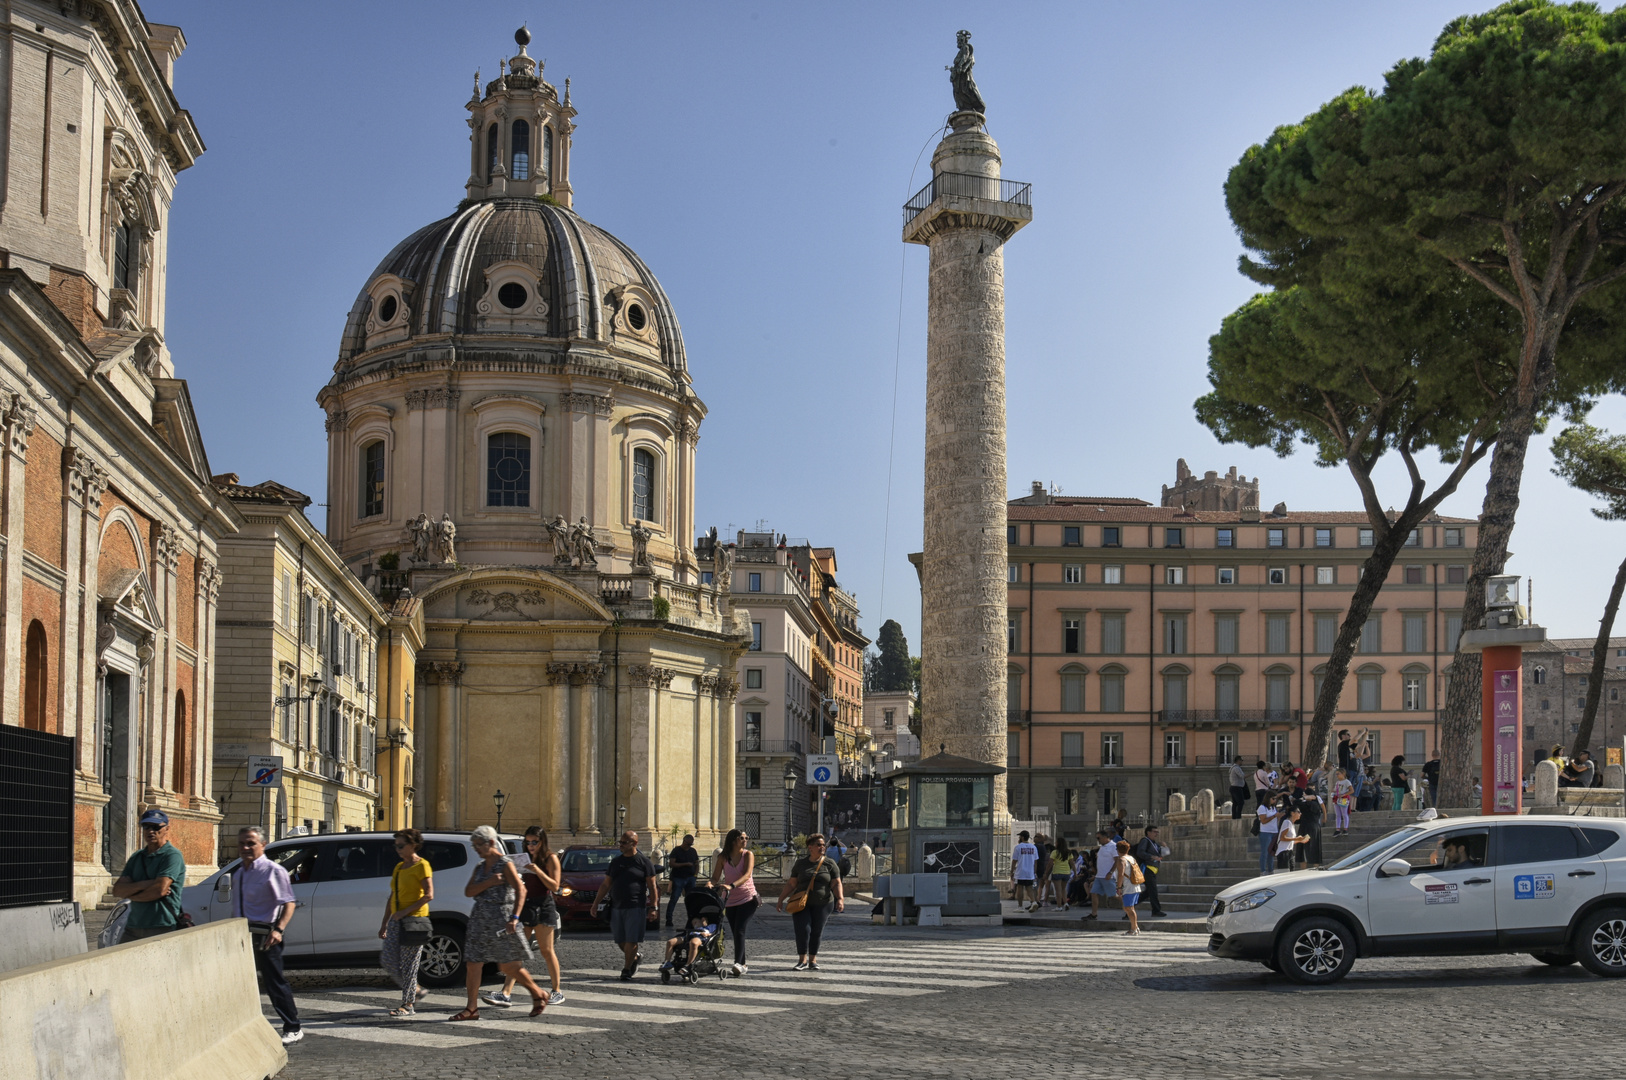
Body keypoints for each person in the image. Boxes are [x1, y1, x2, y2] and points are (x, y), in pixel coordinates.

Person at [454, 825, 546, 1020]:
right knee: (473, 963)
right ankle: (471, 1008)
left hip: (501, 919)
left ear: (491, 843)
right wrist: (488, 882)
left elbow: (521, 891)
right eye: (474, 846)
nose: (477, 849)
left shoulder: (505, 864)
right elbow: (469, 892)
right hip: (480, 918)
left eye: (479, 845)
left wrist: (514, 917)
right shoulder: (480, 867)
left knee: (507, 966)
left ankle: (538, 993)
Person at [232, 827, 302, 1045]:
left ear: (263, 845)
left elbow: (288, 902)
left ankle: (293, 1026)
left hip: (265, 934)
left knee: (274, 982)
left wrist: (278, 929)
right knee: (242, 981)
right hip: (241, 932)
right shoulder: (239, 873)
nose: (245, 848)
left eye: (251, 843)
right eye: (242, 843)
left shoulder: (273, 871)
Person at [490, 827, 564, 1007]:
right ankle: (505, 993)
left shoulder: (550, 858)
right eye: (528, 842)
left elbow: (555, 886)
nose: (530, 846)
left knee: (547, 950)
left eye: (534, 842)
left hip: (543, 905)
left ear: (542, 841)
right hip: (526, 905)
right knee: (518, 949)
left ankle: (557, 991)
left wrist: (538, 871)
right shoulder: (524, 858)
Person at [379, 828, 433, 1017]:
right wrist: (385, 922)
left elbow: (429, 895)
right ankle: (416, 990)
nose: (398, 849)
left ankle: (408, 1004)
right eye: (396, 846)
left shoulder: (422, 866)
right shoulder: (399, 867)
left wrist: (404, 912)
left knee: (409, 965)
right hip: (397, 920)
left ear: (413, 845)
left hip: (414, 922)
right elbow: (393, 895)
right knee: (388, 960)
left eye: (401, 846)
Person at [111, 809, 186, 940]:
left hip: (162, 925)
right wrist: (147, 883)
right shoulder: (137, 857)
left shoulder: (172, 855)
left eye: (156, 827)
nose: (150, 831)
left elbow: (159, 890)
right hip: (134, 926)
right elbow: (117, 890)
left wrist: (132, 895)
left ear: (166, 829)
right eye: (146, 827)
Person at [596, 830, 659, 982]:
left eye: (624, 842)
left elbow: (652, 886)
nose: (621, 845)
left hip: (636, 906)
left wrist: (654, 906)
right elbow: (606, 884)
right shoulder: (616, 862)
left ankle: (626, 969)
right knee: (620, 940)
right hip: (617, 906)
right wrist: (595, 903)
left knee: (632, 939)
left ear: (634, 843)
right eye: (620, 842)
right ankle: (635, 957)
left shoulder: (644, 862)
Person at [777, 833, 843, 970]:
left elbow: (836, 883)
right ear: (810, 847)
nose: (822, 847)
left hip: (824, 903)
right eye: (819, 845)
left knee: (816, 931)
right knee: (803, 930)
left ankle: (813, 960)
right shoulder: (801, 864)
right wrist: (781, 898)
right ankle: (802, 960)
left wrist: (840, 899)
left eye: (823, 845)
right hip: (801, 903)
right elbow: (791, 884)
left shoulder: (829, 864)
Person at [711, 828, 758, 976]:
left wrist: (731, 886)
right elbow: (715, 877)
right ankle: (742, 964)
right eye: (742, 838)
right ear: (733, 840)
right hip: (730, 900)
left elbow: (746, 875)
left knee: (740, 930)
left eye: (746, 838)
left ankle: (738, 963)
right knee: (735, 931)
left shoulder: (748, 854)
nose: (745, 840)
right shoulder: (722, 858)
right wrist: (710, 884)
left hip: (747, 898)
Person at [659, 909, 719, 974]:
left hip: (701, 937)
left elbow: (715, 933)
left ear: (702, 919)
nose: (694, 925)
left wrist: (707, 934)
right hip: (689, 935)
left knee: (693, 942)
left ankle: (688, 965)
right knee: (670, 942)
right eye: (693, 923)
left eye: (695, 922)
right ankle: (667, 962)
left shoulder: (712, 926)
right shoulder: (694, 928)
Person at [1132, 826, 1168, 917]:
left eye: (1157, 832)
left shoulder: (1154, 843)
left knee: (1148, 892)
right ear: (1148, 832)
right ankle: (1156, 910)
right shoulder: (1145, 841)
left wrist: (1165, 847)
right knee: (1153, 890)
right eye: (1154, 832)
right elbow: (1140, 852)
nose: (1156, 834)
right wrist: (1151, 857)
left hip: (1153, 869)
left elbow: (1165, 853)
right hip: (1147, 869)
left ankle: (1130, 906)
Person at [665, 833, 700, 927]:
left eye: (691, 844)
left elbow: (696, 863)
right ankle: (669, 919)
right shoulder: (676, 850)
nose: (689, 846)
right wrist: (685, 864)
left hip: (690, 878)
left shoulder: (693, 851)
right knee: (674, 899)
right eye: (688, 844)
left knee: (691, 900)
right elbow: (672, 863)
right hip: (678, 878)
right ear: (684, 841)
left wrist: (695, 875)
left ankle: (692, 919)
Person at [1112, 840, 1142, 936]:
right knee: (1129, 908)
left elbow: (1120, 875)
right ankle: (1135, 927)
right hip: (1134, 885)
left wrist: (1119, 887)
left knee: (1128, 908)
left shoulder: (1121, 860)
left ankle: (1134, 929)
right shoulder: (1130, 858)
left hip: (1128, 886)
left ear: (1118, 849)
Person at [1087, 829, 1117, 920]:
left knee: (1115, 895)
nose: (1098, 840)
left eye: (1098, 838)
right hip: (1099, 876)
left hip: (1108, 876)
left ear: (1105, 837)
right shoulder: (1102, 847)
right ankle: (1094, 914)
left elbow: (1117, 860)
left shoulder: (1113, 846)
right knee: (1094, 893)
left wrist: (1111, 872)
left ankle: (1129, 910)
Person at [1295, 787, 1324, 866]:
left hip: (1306, 827)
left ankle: (1304, 870)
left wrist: (1304, 798)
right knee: (1315, 849)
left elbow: (1296, 802)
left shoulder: (1307, 804)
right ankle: (1316, 868)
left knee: (1304, 850)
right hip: (1316, 828)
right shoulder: (1316, 805)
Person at [1010, 830, 1039, 909]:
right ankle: (1033, 902)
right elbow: (1035, 862)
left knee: (1020, 888)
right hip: (1030, 872)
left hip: (1021, 871)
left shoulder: (1018, 847)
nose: (1019, 838)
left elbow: (1014, 861)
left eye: (1020, 837)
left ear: (1022, 837)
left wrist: (1012, 871)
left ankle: (1020, 907)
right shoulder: (1034, 847)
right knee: (1029, 888)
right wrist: (1034, 872)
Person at [1255, 797, 1280, 877]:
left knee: (1271, 853)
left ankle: (1270, 870)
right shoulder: (1262, 807)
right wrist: (1274, 816)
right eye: (1273, 798)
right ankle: (1263, 870)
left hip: (1274, 831)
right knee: (1265, 852)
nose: (1274, 800)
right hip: (1265, 832)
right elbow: (1263, 821)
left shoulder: (1273, 807)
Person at [1047, 839, 1072, 909]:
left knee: (1058, 890)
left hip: (1057, 872)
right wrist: (1075, 873)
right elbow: (1072, 863)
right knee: (1063, 889)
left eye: (1056, 842)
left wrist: (1046, 872)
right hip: (1066, 872)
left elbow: (1050, 863)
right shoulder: (1068, 852)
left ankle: (1059, 906)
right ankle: (1066, 903)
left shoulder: (1055, 852)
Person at [1032, 833, 1053, 912]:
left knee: (1035, 887)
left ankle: (1037, 901)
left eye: (1037, 837)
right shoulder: (1043, 847)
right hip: (1043, 869)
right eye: (1035, 836)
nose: (1034, 838)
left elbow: (1036, 860)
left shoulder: (1038, 847)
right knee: (1038, 886)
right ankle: (1037, 901)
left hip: (1039, 869)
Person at [1331, 769, 1354, 836]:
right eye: (1336, 774)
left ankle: (1345, 829)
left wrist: (1344, 794)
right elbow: (1335, 790)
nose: (1337, 775)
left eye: (1338, 774)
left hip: (1344, 799)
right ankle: (1337, 829)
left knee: (1344, 814)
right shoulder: (1337, 782)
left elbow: (1352, 790)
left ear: (1343, 774)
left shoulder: (1347, 782)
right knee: (1338, 814)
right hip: (1337, 799)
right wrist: (1333, 791)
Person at [1228, 756, 1250, 820]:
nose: (1242, 762)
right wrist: (1251, 774)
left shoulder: (1232, 768)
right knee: (1240, 802)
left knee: (1235, 803)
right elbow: (1242, 776)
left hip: (1234, 787)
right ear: (1238, 760)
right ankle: (1238, 816)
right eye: (1241, 760)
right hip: (1237, 787)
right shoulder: (1236, 768)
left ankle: (1234, 817)